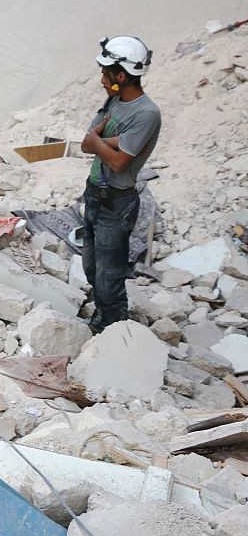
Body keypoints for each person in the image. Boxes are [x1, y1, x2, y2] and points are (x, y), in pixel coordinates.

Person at [81, 35, 161, 334]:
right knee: (91, 265)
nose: (102, 79)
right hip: (94, 194)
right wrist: (102, 142)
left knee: (109, 273)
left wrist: (99, 141)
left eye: (106, 73)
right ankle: (103, 314)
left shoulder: (146, 113)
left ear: (122, 75)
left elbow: (118, 162)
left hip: (116, 202)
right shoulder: (113, 100)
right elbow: (87, 145)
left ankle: (113, 327)